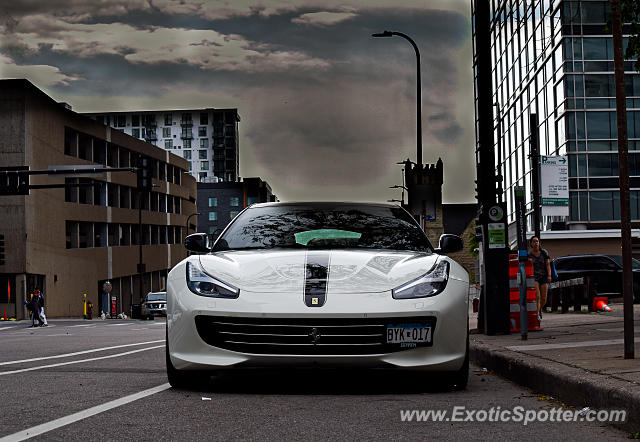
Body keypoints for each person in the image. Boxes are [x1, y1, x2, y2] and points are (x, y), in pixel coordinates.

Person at [528, 236, 551, 321]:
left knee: (544, 298)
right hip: (534, 277)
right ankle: (536, 314)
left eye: (537, 241)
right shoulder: (529, 255)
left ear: (539, 243)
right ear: (531, 243)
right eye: (533, 241)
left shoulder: (544, 253)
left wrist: (549, 275)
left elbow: (548, 265)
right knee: (537, 296)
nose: (535, 243)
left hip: (544, 277)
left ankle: (538, 309)